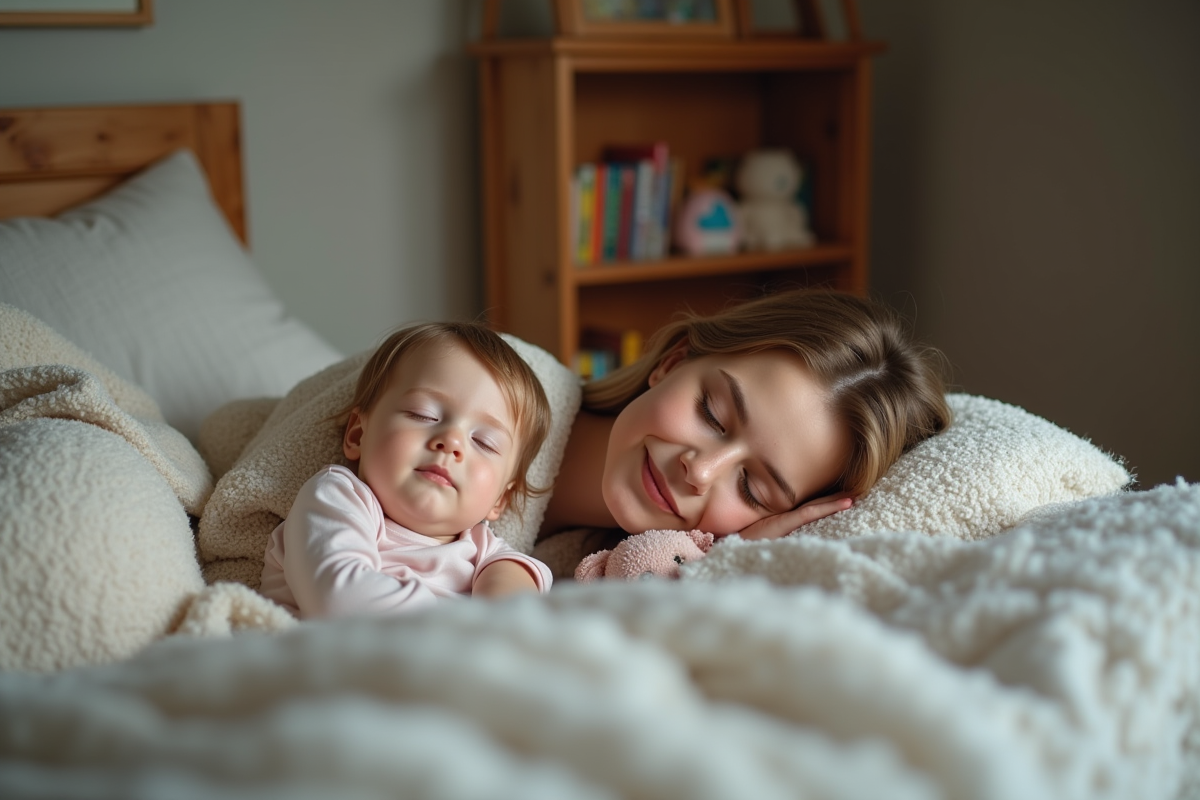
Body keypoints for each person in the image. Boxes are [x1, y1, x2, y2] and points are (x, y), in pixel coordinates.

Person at [537, 288, 952, 548]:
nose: (700, 470)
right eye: (712, 414)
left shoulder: (623, 571)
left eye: (752, 489)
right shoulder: (503, 393)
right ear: (673, 362)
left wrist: (730, 563)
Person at [260, 321, 553, 619]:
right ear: (358, 435)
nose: (452, 442)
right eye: (423, 414)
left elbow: (519, 611)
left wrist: (505, 599)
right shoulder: (336, 498)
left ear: (500, 499)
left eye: (484, 442)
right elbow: (337, 600)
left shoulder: (486, 553)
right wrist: (463, 627)